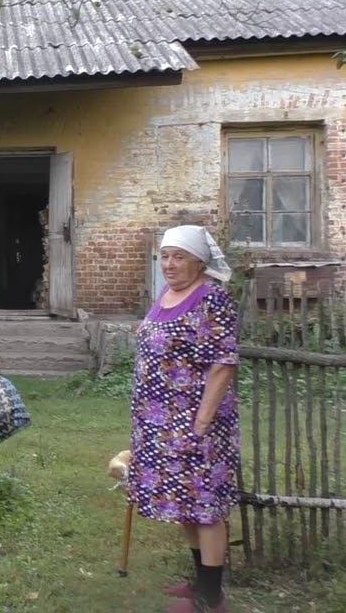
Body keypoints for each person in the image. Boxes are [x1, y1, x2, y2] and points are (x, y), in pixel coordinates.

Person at [128, 224, 240, 613]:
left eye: (179, 257)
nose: (169, 264)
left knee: (205, 505)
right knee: (184, 502)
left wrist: (201, 425)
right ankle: (199, 582)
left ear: (199, 262)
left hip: (196, 423)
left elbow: (223, 364)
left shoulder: (212, 299)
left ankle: (212, 596)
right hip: (160, 423)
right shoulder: (166, 294)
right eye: (164, 256)